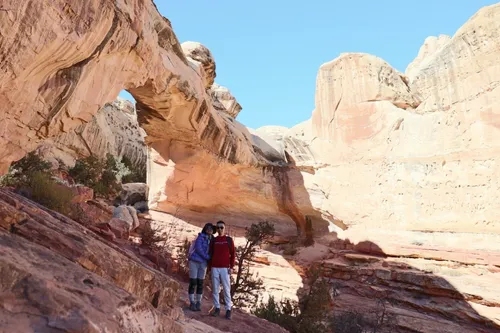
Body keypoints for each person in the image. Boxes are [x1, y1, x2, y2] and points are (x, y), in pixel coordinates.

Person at [209, 220, 235, 320]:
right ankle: (217, 308)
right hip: (215, 267)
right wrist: (210, 267)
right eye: (218, 227)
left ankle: (228, 309)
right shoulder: (214, 240)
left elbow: (233, 254)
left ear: (224, 228)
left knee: (226, 289)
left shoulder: (228, 240)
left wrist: (231, 267)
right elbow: (210, 254)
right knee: (215, 289)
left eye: (221, 227)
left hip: (225, 268)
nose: (220, 229)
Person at [187, 223, 215, 311]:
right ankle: (192, 302)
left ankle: (198, 302)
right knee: (193, 282)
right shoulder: (200, 237)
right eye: (208, 228)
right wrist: (208, 258)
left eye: (211, 228)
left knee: (200, 283)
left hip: (203, 264)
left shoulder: (213, 240)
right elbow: (199, 249)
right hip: (195, 261)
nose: (209, 230)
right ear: (205, 229)